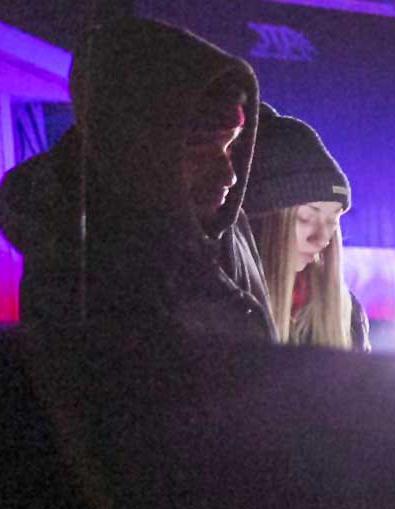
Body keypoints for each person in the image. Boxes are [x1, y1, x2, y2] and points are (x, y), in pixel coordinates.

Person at [0, 17, 271, 340]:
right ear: (135, 147)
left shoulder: (229, 231)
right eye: (197, 148)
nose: (229, 175)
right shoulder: (80, 274)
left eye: (230, 147)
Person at [244, 105, 368, 350]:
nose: (322, 239)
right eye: (306, 217)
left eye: (333, 221)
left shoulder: (347, 313)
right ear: (264, 218)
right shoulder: (227, 308)